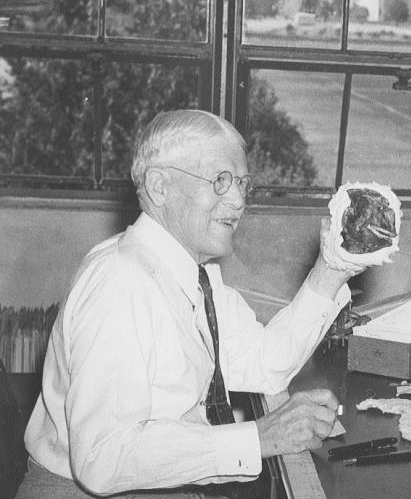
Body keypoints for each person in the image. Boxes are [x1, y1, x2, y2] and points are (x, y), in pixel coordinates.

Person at [16, 109, 364, 498]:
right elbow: (103, 458)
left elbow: (264, 364)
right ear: (159, 186)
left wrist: (332, 268)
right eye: (220, 181)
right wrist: (258, 438)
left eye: (242, 184)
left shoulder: (194, 274)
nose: (237, 200)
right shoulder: (122, 284)